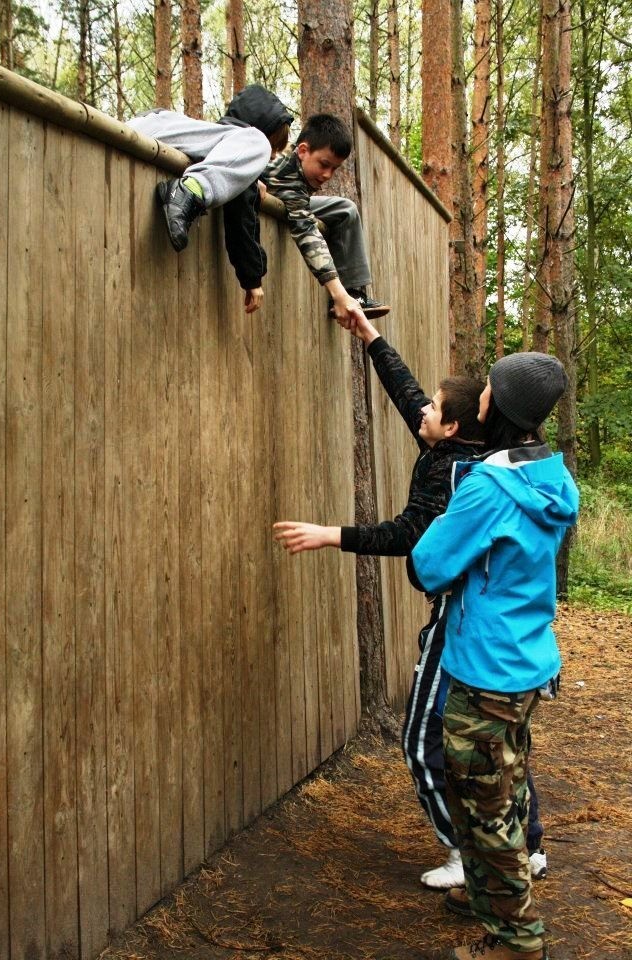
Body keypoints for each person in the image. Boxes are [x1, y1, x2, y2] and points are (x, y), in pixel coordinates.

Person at [273, 316, 546, 893]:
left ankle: (467, 854)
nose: (422, 408)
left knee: (423, 742)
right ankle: (530, 846)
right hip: (507, 632)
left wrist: (332, 534)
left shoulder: (463, 479)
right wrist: (368, 334)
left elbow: (415, 543)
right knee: (502, 746)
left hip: (463, 622)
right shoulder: (494, 455)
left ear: (451, 427)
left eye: (434, 408)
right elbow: (410, 394)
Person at [411, 352, 579, 960]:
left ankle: (515, 940)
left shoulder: (487, 487)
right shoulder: (552, 477)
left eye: (487, 388)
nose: (479, 392)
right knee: (497, 788)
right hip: (527, 660)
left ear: (496, 408)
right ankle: (486, 894)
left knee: (487, 809)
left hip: (484, 669)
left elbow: (427, 564)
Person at [126, 84, 293, 314]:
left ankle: (187, 192)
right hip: (150, 134)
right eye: (273, 147)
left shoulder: (210, 141)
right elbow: (241, 211)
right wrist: (253, 278)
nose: (270, 156)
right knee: (257, 144)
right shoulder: (250, 139)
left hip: (143, 129)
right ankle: (187, 192)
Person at [262, 113, 390, 323]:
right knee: (333, 214)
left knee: (344, 209)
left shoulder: (295, 158)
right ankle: (345, 294)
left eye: (334, 168)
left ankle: (354, 291)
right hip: (288, 200)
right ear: (303, 151)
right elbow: (307, 233)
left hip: (293, 201)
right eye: (324, 164)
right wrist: (337, 293)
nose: (328, 175)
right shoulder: (288, 178)